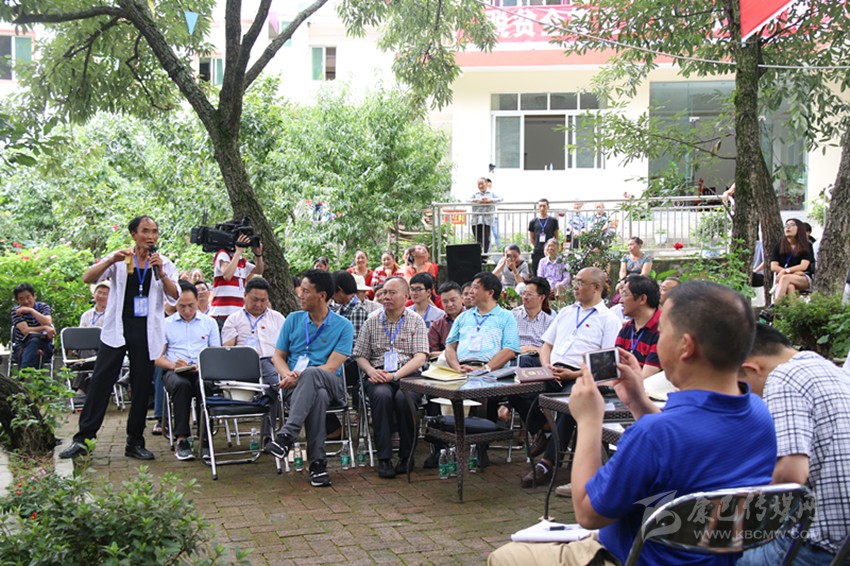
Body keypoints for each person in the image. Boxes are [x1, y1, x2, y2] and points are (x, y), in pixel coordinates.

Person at [490, 281, 776, 566]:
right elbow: (680, 447)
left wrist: (588, 421)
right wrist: (638, 401)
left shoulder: (653, 435)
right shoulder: (759, 414)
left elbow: (588, 513)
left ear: (685, 347)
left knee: (504, 557)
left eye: (662, 332)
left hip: (632, 557)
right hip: (714, 559)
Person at [60, 216, 180, 460]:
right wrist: (109, 260)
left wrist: (162, 273)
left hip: (145, 331)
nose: (151, 236)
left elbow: (175, 296)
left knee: (141, 386)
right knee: (100, 382)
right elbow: (88, 277)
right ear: (134, 234)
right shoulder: (120, 258)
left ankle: (135, 442)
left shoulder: (163, 263)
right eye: (145, 231)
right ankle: (83, 440)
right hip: (116, 329)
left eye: (155, 231)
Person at [738, 324, 850, 565]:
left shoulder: (783, 377)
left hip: (821, 547)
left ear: (752, 368)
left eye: (741, 387)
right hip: (843, 541)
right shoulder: (832, 370)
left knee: (713, 554)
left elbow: (791, 475)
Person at [520, 267, 621, 488]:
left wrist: (573, 374)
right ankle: (544, 428)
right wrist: (546, 366)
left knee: (570, 403)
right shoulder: (566, 312)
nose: (574, 286)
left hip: (580, 376)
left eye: (580, 282)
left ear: (596, 287)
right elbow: (546, 345)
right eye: (574, 281)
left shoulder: (608, 319)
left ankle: (548, 463)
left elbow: (605, 364)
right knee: (518, 386)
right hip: (551, 370)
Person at [266, 270, 354, 488]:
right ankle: (318, 465)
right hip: (297, 388)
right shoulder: (293, 320)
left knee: (313, 375)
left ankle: (288, 434)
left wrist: (301, 375)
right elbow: (278, 356)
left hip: (331, 383)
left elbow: (332, 367)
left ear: (322, 296)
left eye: (306, 291)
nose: (300, 295)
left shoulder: (343, 326)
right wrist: (287, 374)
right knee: (318, 396)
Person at [354, 277, 428, 478]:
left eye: (392, 293)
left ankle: (406, 456)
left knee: (404, 399)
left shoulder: (415, 320)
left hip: (407, 373)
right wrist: (371, 371)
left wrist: (395, 376)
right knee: (382, 396)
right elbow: (359, 354)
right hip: (378, 373)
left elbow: (420, 357)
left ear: (405, 296)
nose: (386, 297)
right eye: (385, 292)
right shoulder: (372, 320)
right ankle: (384, 459)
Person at [156, 281, 221, 461]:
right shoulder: (166, 324)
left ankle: (205, 438)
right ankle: (182, 439)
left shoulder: (209, 323)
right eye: (182, 306)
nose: (186, 310)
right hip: (175, 371)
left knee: (204, 386)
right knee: (181, 386)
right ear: (175, 304)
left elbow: (216, 353)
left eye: (191, 305)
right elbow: (157, 358)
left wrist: (204, 364)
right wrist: (173, 365)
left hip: (202, 370)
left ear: (198, 301)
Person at [221, 277, 286, 446]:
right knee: (271, 377)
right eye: (254, 300)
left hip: (275, 365)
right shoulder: (234, 319)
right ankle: (284, 389)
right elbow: (228, 350)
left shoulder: (277, 318)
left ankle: (268, 436)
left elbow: (287, 346)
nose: (258, 304)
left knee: (271, 388)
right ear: (245, 296)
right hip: (245, 368)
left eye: (263, 300)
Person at [209, 233, 264, 328]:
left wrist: (258, 254)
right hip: (221, 314)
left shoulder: (241, 260)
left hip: (238, 314)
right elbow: (227, 275)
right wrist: (238, 252)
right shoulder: (223, 254)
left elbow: (259, 270)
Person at [613, 275, 662, 378]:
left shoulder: (662, 329)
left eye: (625, 295)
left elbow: (647, 377)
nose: (620, 301)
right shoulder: (627, 328)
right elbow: (615, 364)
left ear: (642, 299)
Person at [10, 283, 55, 370]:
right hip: (22, 346)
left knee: (36, 343)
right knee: (37, 352)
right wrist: (44, 328)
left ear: (34, 296)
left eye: (28, 297)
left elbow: (48, 322)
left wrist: (31, 311)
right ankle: (32, 376)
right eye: (21, 299)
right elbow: (25, 331)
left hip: (45, 345)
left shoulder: (43, 306)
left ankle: (23, 374)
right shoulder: (16, 311)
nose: (26, 301)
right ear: (17, 300)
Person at [770, 218, 815, 300]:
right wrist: (790, 272)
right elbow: (773, 266)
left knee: (785, 278)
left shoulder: (807, 245)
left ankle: (776, 304)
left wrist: (785, 271)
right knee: (790, 286)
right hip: (791, 275)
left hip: (803, 277)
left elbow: (803, 266)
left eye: (792, 225)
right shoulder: (779, 246)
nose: (788, 227)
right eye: (786, 225)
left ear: (799, 229)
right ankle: (793, 307)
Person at [511, 277, 553, 363]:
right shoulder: (513, 316)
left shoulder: (549, 322)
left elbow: (551, 349)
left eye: (529, 294)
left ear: (541, 298)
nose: (524, 297)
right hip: (514, 356)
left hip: (537, 359)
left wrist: (531, 349)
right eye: (523, 293)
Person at [429, 281, 464, 359]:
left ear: (462, 298)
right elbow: (431, 353)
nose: (449, 304)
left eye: (453, 300)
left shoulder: (473, 319)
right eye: (445, 301)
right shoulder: (437, 325)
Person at [469, 176, 503, 257]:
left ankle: (484, 256)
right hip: (476, 220)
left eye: (482, 184)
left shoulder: (491, 193)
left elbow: (501, 199)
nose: (480, 186)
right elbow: (467, 200)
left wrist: (490, 200)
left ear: (486, 184)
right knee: (477, 238)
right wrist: (476, 200)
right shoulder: (475, 194)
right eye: (479, 184)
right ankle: (478, 255)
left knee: (486, 238)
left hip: (487, 220)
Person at [528, 198, 559, 274]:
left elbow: (556, 236)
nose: (542, 208)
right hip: (538, 251)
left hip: (550, 250)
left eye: (544, 206)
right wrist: (535, 245)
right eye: (540, 206)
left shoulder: (553, 221)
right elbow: (531, 237)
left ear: (548, 207)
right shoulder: (533, 221)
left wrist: (554, 247)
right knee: (537, 272)